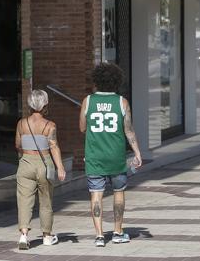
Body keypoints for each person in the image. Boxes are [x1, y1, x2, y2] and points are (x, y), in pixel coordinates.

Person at [79, 63, 143, 247]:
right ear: (116, 81)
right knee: (118, 192)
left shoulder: (88, 101)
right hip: (116, 157)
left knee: (96, 195)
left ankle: (99, 236)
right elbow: (129, 131)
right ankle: (117, 232)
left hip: (94, 156)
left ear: (97, 81)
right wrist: (137, 153)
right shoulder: (122, 102)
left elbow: (82, 128)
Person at [15, 90, 66, 250]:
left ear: (29, 104)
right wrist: (60, 168)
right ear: (45, 105)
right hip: (44, 163)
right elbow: (54, 146)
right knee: (46, 201)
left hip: (26, 163)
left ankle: (23, 235)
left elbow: (18, 145)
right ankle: (47, 236)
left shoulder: (21, 124)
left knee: (24, 201)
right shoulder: (50, 125)